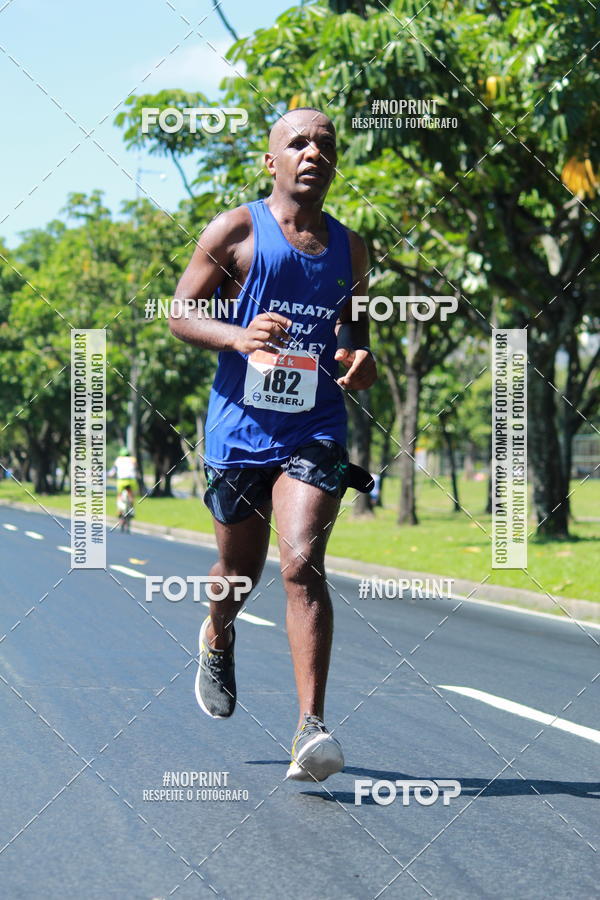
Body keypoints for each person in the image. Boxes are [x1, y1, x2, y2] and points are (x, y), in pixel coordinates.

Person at [170, 107, 377, 782]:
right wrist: (238, 335)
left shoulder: (351, 249)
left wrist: (359, 358)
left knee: (301, 563)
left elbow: (353, 328)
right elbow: (180, 312)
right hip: (239, 429)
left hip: (315, 425)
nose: (312, 153)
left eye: (325, 145)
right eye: (297, 143)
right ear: (272, 161)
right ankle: (218, 632)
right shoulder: (235, 229)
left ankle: (311, 728)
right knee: (239, 571)